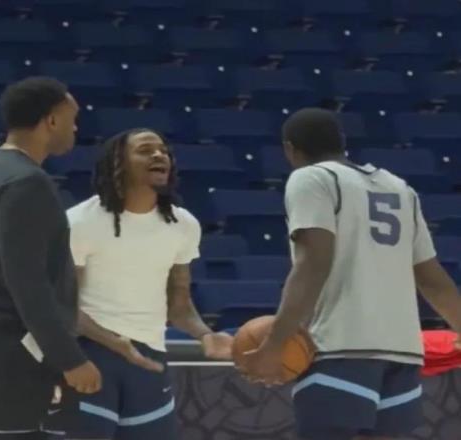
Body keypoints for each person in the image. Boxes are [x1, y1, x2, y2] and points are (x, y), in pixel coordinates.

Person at [241, 108, 461, 440]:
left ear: (289, 149)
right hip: (402, 354)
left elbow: (313, 263)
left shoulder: (311, 178)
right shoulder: (399, 187)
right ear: (342, 142)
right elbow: (432, 277)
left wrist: (276, 342)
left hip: (342, 346)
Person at [46, 128, 234, 440]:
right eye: (146, 150)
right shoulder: (80, 221)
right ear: (118, 163)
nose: (159, 155)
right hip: (90, 355)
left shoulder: (183, 224)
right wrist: (114, 343)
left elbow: (179, 305)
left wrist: (205, 334)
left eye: (163, 151)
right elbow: (64, 306)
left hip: (149, 359)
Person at [0, 77, 101, 440]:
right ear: (51, 120)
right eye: (72, 119)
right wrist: (69, 358)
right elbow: (28, 283)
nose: (75, 128)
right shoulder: (28, 181)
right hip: (14, 357)